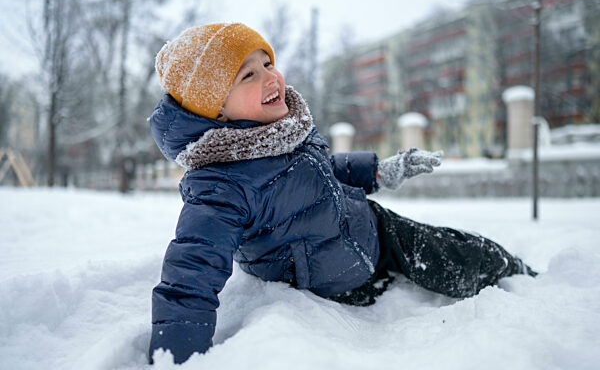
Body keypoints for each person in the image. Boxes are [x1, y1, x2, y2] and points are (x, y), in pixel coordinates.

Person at [148, 23, 535, 364]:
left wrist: (381, 170)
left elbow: (323, 173)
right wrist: (176, 355)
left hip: (370, 227)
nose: (270, 77)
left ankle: (520, 275)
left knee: (453, 251)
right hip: (328, 275)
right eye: (247, 75)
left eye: (267, 63)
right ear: (217, 111)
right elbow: (191, 273)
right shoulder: (221, 184)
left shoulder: (283, 131)